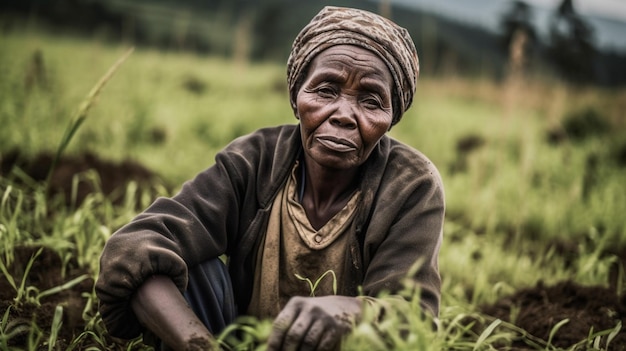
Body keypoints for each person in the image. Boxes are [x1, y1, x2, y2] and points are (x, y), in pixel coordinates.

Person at [96, 5, 444, 351]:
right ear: (297, 97)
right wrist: (198, 344)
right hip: (237, 343)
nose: (344, 116)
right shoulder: (253, 161)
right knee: (187, 265)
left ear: (391, 118)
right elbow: (134, 247)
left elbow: (413, 318)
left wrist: (349, 312)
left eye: (371, 102)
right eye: (326, 91)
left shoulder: (411, 186)